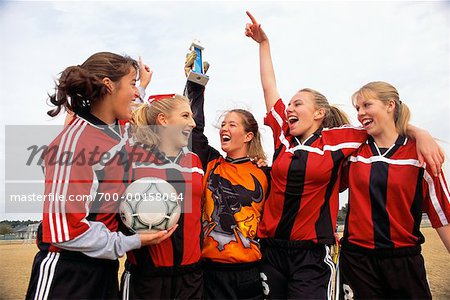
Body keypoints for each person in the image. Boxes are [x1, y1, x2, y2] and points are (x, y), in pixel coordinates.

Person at [244, 11, 445, 299]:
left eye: (297, 103)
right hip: (272, 248)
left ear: (319, 113)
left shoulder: (340, 139)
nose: (288, 108)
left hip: (312, 251)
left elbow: (383, 125)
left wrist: (419, 133)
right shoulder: (281, 136)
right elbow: (268, 87)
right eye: (288, 104)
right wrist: (263, 44)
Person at [26, 52, 175, 300]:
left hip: (104, 270)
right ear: (108, 86)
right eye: (132, 83)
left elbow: (132, 110)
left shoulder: (117, 130)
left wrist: (143, 86)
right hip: (67, 275)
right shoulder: (75, 144)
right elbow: (67, 233)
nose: (136, 92)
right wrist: (133, 241)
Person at [336, 81, 450, 299]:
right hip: (357, 262)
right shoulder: (353, 150)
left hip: (403, 261)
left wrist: (419, 134)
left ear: (390, 105)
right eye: (357, 108)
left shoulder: (420, 155)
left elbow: (442, 214)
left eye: (367, 105)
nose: (360, 113)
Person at [184, 57, 269, 299]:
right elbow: (194, 130)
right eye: (223, 124)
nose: (224, 129)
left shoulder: (264, 172)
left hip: (248, 273)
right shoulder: (210, 162)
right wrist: (195, 85)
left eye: (232, 125)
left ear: (248, 135)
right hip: (209, 271)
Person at [121, 93, 204, 299]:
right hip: (147, 278)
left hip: (191, 277)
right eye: (185, 116)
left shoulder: (195, 161)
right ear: (163, 120)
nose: (192, 123)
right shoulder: (131, 157)